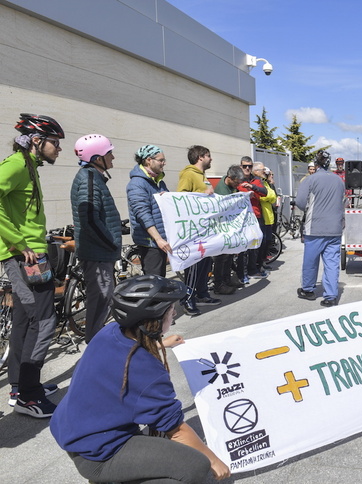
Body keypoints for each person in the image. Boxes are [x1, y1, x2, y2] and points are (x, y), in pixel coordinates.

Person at [50, 275, 231, 483]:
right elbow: (176, 430)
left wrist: (161, 343)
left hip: (72, 430)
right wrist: (214, 461)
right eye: (171, 310)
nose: (174, 314)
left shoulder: (110, 332)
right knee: (197, 465)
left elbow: (124, 358)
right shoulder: (147, 370)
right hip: (99, 454)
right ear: (153, 320)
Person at [1, 113, 63, 417]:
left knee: (26, 320)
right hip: (24, 256)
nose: (59, 148)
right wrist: (17, 242)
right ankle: (29, 394)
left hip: (29, 252)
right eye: (55, 142)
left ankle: (19, 385)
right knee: (45, 321)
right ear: (36, 141)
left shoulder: (29, 166)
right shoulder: (16, 165)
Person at [70, 134, 122, 343]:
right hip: (98, 253)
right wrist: (111, 243)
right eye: (109, 153)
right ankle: (95, 346)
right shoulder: (89, 179)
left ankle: (96, 342)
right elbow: (90, 219)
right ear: (97, 158)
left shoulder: (94, 177)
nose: (113, 158)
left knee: (102, 299)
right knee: (101, 299)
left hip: (100, 252)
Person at [295, 151, 346, 306]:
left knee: (310, 261)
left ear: (315, 165)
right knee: (331, 262)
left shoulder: (310, 180)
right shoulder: (339, 181)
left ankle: (308, 289)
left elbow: (300, 202)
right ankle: (331, 295)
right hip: (335, 227)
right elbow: (343, 202)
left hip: (315, 227)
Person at [177, 145, 221, 316]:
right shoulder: (188, 174)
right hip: (194, 231)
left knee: (205, 264)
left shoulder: (202, 176)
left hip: (205, 229)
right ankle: (188, 299)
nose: (211, 159)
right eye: (209, 156)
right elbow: (181, 197)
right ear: (201, 157)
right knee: (194, 267)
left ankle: (202, 293)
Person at [127, 145, 172, 277]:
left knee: (160, 281)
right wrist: (158, 239)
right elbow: (142, 214)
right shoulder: (137, 184)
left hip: (160, 241)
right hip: (151, 242)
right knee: (154, 282)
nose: (164, 163)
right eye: (161, 160)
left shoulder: (159, 182)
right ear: (148, 160)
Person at [212, 165, 245, 295]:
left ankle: (227, 279)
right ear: (230, 178)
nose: (238, 185)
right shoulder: (222, 190)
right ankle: (219, 284)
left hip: (228, 227)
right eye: (237, 182)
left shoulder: (231, 187)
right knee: (221, 257)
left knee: (229, 255)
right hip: (222, 228)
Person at [237, 158, 269, 280]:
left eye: (249, 166)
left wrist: (252, 187)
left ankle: (253, 269)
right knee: (242, 248)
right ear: (241, 166)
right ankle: (241, 273)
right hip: (242, 217)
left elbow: (264, 192)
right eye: (245, 166)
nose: (247, 168)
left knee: (256, 245)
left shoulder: (255, 180)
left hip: (256, 216)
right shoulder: (237, 179)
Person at [255, 163, 278, 271]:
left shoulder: (265, 183)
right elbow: (261, 197)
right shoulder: (256, 182)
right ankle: (258, 265)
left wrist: (268, 196)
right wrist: (268, 197)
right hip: (263, 215)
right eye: (262, 170)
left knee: (267, 241)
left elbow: (273, 196)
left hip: (269, 216)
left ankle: (263, 262)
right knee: (262, 242)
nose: (265, 172)